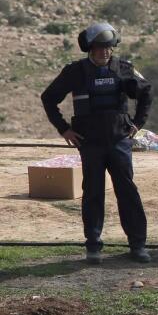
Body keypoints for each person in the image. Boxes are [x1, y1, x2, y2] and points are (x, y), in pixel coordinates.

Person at [41, 22, 152, 265]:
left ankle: (138, 245)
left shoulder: (124, 69)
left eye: (108, 48)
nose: (104, 52)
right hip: (89, 144)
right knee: (92, 193)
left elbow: (146, 93)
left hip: (119, 142)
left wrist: (137, 124)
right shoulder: (75, 72)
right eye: (99, 48)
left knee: (127, 192)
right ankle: (93, 247)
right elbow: (48, 98)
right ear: (89, 49)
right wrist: (64, 130)